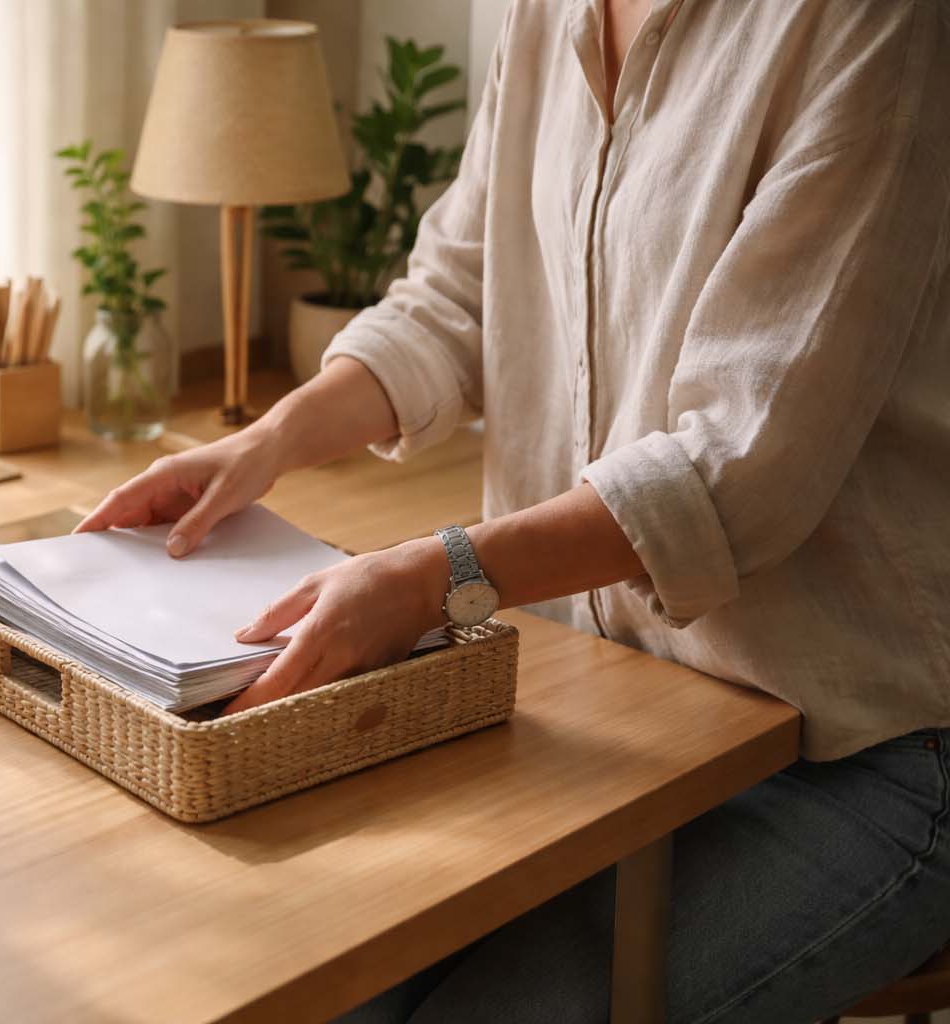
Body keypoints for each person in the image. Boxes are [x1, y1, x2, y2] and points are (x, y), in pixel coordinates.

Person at [76, 0, 950, 1019]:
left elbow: (736, 472)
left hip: (866, 751)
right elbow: (455, 296)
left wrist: (434, 573)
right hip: (611, 705)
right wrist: (264, 442)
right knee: (321, 983)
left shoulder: (876, 23)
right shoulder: (553, 14)